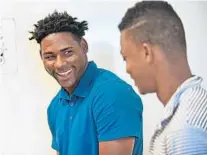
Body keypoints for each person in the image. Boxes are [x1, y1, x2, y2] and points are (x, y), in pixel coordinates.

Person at [29, 11, 143, 155]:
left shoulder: (112, 94)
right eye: (50, 56)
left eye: (68, 52)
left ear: (84, 46)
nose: (59, 64)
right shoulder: (55, 106)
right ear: (42, 57)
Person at [118, 1, 207, 155]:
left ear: (147, 52)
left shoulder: (185, 130)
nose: (127, 69)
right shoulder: (190, 109)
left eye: (126, 58)